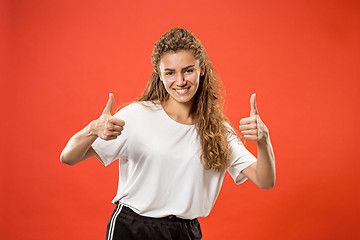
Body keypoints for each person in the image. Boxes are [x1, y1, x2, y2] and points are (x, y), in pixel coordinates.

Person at [60, 27, 275, 240]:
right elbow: (68, 157)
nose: (180, 81)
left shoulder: (218, 130)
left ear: (201, 69)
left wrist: (263, 140)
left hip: (185, 231)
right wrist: (92, 130)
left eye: (188, 70)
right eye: (170, 73)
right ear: (159, 75)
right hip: (132, 229)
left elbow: (265, 180)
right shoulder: (137, 115)